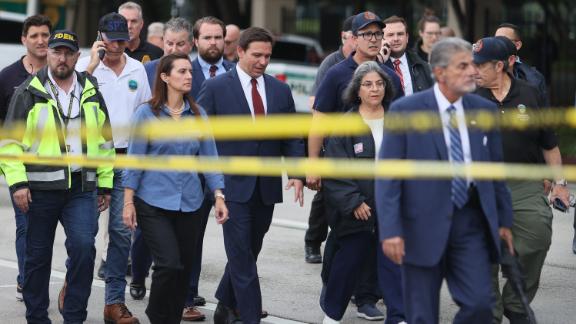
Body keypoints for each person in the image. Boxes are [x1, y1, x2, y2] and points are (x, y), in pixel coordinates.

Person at [377, 37, 515, 324]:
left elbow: (495, 172)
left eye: (473, 65)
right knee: (422, 316)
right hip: (419, 226)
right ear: (440, 73)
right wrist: (390, 229)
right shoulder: (406, 110)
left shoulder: (484, 111)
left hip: (470, 224)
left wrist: (504, 222)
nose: (472, 71)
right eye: (462, 66)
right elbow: (388, 176)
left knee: (480, 306)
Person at [0, 29, 114, 324]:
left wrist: (104, 183)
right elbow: (10, 145)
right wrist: (18, 183)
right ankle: (37, 318)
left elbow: (104, 142)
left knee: (83, 251)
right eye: (56, 52)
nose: (62, 58)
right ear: (47, 54)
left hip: (81, 189)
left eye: (68, 53)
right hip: (38, 190)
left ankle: (74, 316)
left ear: (78, 56)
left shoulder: (90, 90)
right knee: (37, 259)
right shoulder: (28, 91)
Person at [197, 26, 305, 324]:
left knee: (250, 250)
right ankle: (250, 316)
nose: (263, 61)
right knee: (242, 256)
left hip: (266, 187)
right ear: (240, 52)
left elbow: (292, 135)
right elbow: (202, 137)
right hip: (230, 187)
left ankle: (224, 304)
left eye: (268, 56)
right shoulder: (217, 87)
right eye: (256, 55)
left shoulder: (279, 90)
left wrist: (296, 172)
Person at [308, 11, 404, 321]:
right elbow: (319, 123)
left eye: (379, 34)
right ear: (353, 37)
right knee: (344, 244)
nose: (375, 39)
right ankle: (333, 298)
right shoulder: (337, 73)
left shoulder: (390, 76)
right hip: (344, 180)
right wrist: (312, 166)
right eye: (367, 34)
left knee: (384, 251)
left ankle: (368, 299)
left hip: (385, 192)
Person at [122, 52, 228, 324]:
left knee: (183, 269)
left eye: (189, 72)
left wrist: (218, 195)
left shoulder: (198, 114)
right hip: (152, 201)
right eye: (181, 71)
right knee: (168, 264)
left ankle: (170, 319)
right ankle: (157, 316)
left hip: (190, 201)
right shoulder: (146, 114)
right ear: (165, 77)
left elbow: (210, 157)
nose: (188, 76)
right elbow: (134, 159)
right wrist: (128, 201)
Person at [472, 36, 570, 324]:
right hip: (481, 185)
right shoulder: (468, 98)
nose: (474, 69)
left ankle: (516, 301)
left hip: (524, 182)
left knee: (538, 236)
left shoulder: (530, 94)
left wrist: (561, 184)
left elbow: (549, 144)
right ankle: (490, 311)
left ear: (500, 66)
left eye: (480, 65)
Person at [76, 12, 151, 324]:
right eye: (112, 39)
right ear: (100, 37)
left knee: (121, 234)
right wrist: (91, 67)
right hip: (92, 161)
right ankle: (73, 287)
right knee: (83, 233)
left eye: (124, 39)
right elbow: (69, 105)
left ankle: (113, 303)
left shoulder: (137, 69)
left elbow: (145, 114)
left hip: (125, 159)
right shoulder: (83, 65)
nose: (119, 45)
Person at [0, 14, 51, 301]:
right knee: (27, 227)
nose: (41, 40)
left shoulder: (62, 72)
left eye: (45, 35)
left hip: (57, 168)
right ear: (24, 40)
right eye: (35, 36)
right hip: (21, 167)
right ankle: (26, 280)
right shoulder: (7, 77)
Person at [304, 15, 355, 265]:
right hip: (332, 142)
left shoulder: (375, 63)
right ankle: (313, 240)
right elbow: (316, 103)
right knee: (324, 195)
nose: (352, 44)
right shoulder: (332, 65)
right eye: (349, 39)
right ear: (344, 38)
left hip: (359, 146)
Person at [494, 23, 549, 108]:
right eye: (495, 40)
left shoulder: (535, 78)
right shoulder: (482, 73)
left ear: (517, 45)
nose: (497, 44)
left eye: (503, 40)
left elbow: (543, 117)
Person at [381, 15, 433, 95]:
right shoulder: (377, 66)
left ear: (407, 37)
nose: (396, 39)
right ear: (382, 39)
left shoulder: (423, 66)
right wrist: (380, 61)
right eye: (390, 35)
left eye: (400, 34)